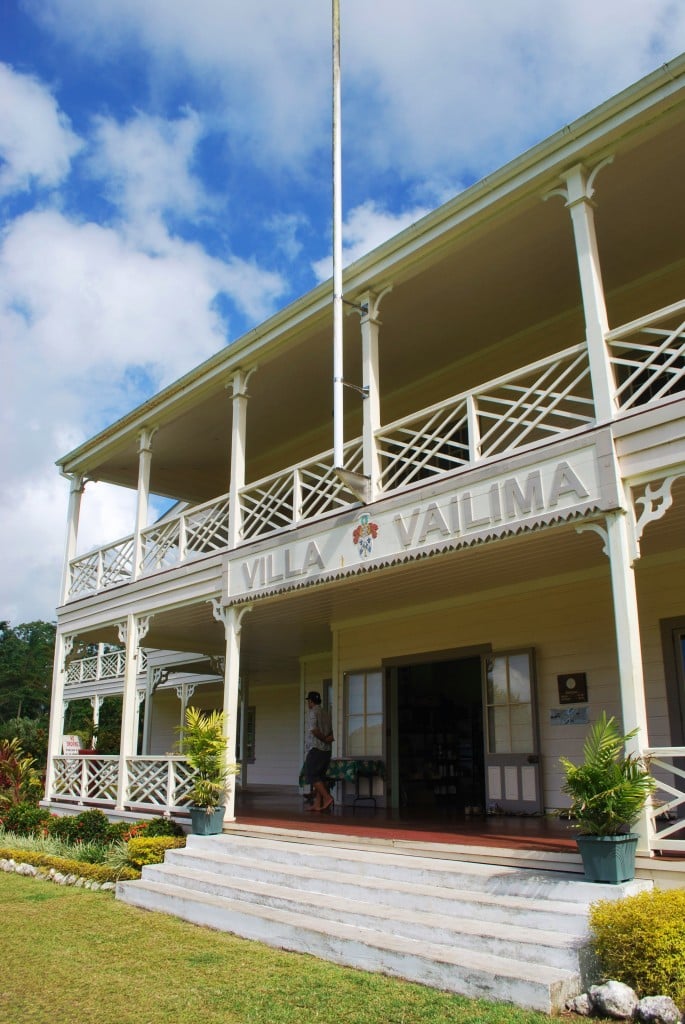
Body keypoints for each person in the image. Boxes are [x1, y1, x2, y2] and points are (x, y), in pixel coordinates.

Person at [302, 690, 334, 812]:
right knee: (320, 777)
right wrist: (327, 739)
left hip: (316, 748)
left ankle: (327, 798)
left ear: (310, 701)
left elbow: (314, 730)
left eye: (308, 701)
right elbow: (331, 731)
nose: (308, 704)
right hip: (326, 751)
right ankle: (317, 804)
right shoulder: (326, 713)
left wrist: (324, 739)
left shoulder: (313, 712)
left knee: (311, 774)